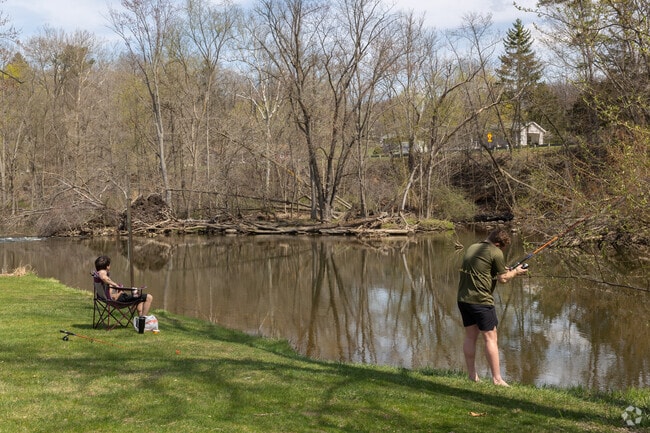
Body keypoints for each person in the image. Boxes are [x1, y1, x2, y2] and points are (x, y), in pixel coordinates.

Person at [457, 228, 527, 386]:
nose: (501, 251)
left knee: (470, 337)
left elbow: (484, 270)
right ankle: (497, 379)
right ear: (498, 244)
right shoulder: (495, 252)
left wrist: (504, 270)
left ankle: (472, 376)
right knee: (491, 338)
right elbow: (503, 279)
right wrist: (515, 272)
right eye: (502, 248)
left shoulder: (473, 247)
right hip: (481, 301)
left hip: (463, 299)